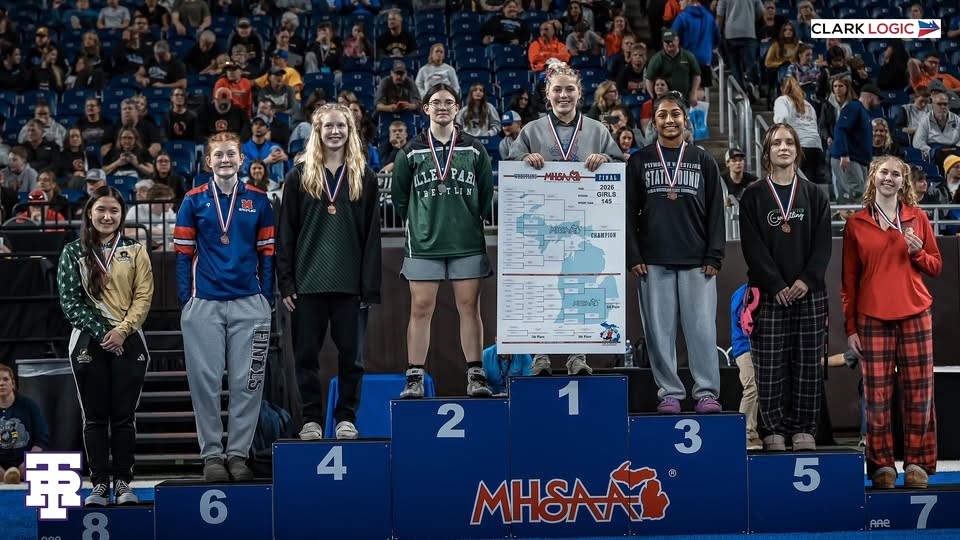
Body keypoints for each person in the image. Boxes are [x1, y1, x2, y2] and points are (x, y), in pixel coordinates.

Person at [510, 62, 624, 376]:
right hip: (544, 229)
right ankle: (540, 355)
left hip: (584, 228)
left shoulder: (598, 130)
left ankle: (578, 355)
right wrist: (524, 159)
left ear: (579, 93)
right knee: (542, 289)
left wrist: (605, 158)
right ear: (547, 94)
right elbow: (509, 167)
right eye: (557, 89)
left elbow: (618, 163)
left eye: (570, 89)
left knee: (580, 287)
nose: (564, 95)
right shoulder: (531, 130)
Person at [276, 103, 381, 441]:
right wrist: (287, 282)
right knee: (306, 357)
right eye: (328, 127)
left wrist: (369, 286)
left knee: (352, 358)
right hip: (307, 284)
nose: (335, 132)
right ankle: (311, 420)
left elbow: (371, 236)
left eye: (341, 126)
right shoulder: (298, 176)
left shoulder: (363, 176)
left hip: (350, 285)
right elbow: (285, 234)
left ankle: (345, 418)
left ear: (350, 132)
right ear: (317, 132)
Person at [174, 132, 275, 483]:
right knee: (205, 384)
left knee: (249, 383)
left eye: (231, 154)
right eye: (218, 155)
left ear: (242, 159)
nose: (225, 160)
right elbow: (183, 255)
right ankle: (212, 456)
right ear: (208, 162)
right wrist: (187, 300)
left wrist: (266, 298)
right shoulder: (193, 199)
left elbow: (268, 254)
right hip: (205, 305)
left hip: (250, 303)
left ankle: (238, 455)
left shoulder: (260, 201)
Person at [842, 156, 941, 488]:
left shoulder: (918, 218)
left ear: (904, 181)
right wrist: (851, 328)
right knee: (877, 395)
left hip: (915, 314)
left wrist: (917, 252)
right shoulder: (856, 224)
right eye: (884, 172)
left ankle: (919, 463)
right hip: (872, 319)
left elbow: (935, 266)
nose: (889, 178)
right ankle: (881, 465)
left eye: (896, 174)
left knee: (920, 393)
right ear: (873, 177)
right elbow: (849, 281)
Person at [391, 83, 495, 398]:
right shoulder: (410, 151)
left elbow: (486, 194)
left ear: (457, 108)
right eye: (435, 102)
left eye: (449, 102)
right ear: (425, 108)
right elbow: (399, 198)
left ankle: (475, 375)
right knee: (420, 308)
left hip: (465, 240)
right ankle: (415, 378)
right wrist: (423, 224)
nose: (442, 107)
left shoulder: (474, 148)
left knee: (469, 307)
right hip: (424, 243)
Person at [626, 92, 724, 414]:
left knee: (702, 330)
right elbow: (628, 213)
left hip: (697, 260)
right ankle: (669, 392)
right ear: (653, 122)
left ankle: (707, 392)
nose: (669, 120)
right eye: (663, 115)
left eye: (676, 114)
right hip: (653, 260)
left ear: (686, 119)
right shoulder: (639, 161)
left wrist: (714, 255)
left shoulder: (703, 159)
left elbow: (715, 213)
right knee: (659, 332)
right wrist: (634, 255)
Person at [57, 186, 154, 505]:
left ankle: (124, 483)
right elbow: (70, 302)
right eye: (101, 209)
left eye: (114, 211)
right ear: (89, 212)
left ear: (122, 215)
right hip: (88, 341)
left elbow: (143, 297)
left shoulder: (136, 250)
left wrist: (122, 331)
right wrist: (103, 333)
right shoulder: (73, 251)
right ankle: (99, 483)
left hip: (129, 340)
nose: (107, 216)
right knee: (95, 417)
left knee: (124, 416)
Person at [738, 123, 832, 451]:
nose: (783, 147)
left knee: (808, 363)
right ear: (767, 151)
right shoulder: (752, 195)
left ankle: (805, 427)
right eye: (776, 142)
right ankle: (773, 428)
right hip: (768, 293)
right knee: (769, 365)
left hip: (809, 293)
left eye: (789, 142)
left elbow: (823, 246)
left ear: (797, 150)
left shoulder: (815, 194)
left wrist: (806, 280)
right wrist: (776, 284)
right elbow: (752, 247)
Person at [832, 83, 881, 205]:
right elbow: (841, 129)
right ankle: (851, 223)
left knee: (861, 194)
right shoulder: (854, 108)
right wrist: (844, 154)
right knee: (855, 193)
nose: (879, 103)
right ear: (870, 97)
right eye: (878, 99)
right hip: (849, 159)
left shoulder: (863, 112)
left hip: (859, 160)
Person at [0, 363, 49, 484]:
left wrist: (29, 462)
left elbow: (41, 438)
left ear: (13, 383)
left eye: (5, 379)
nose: (1, 383)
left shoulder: (29, 406)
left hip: (25, 464)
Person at [774, 76, 825, 188]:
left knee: (796, 186)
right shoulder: (808, 105)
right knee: (810, 185)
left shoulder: (783, 100)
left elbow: (782, 117)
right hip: (815, 146)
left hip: (799, 145)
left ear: (782, 89)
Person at [730, 284, 761, 450]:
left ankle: (756, 434)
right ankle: (745, 434)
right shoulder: (742, 292)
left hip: (765, 347)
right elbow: (744, 320)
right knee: (752, 387)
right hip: (745, 347)